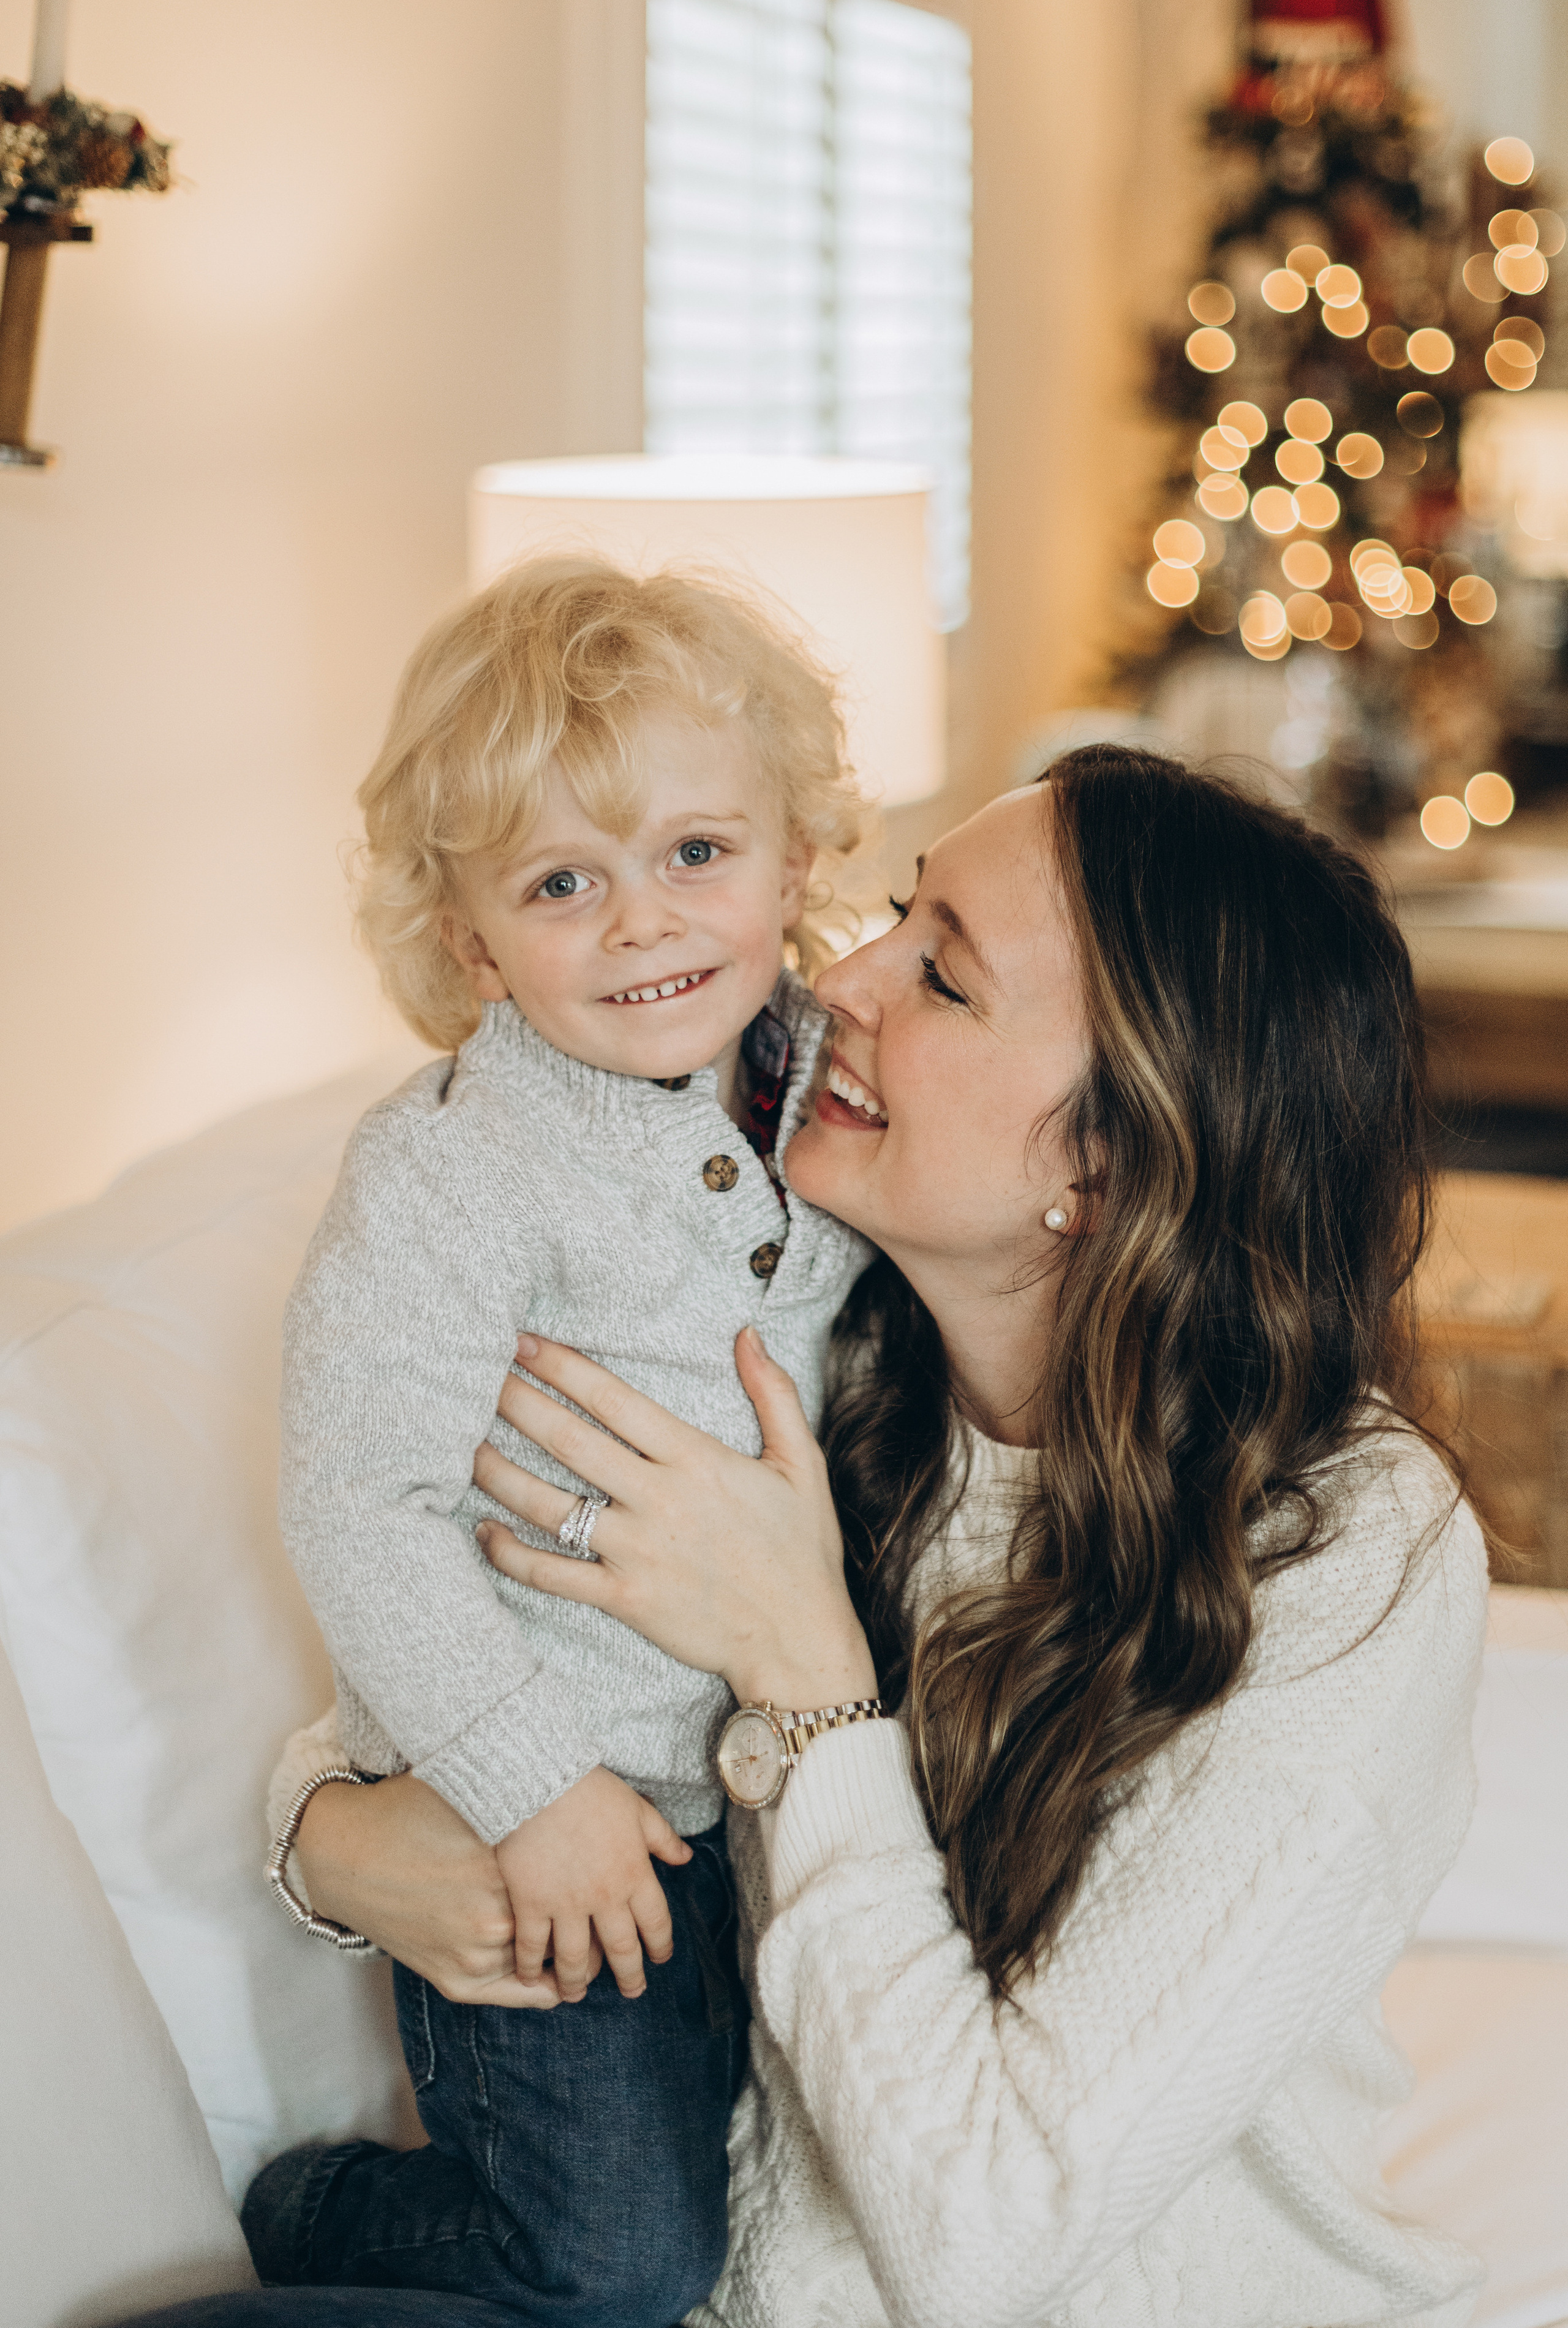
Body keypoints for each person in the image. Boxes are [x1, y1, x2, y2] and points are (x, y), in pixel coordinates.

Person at [126, 748, 1488, 2328]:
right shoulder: (822, 1343)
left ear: (1113, 1158)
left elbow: (986, 2242)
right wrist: (329, 1837)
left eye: (945, 978)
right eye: (897, 913)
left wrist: (805, 1666)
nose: (841, 979)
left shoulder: (1351, 1558)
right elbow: (495, 1623)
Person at [251, 557, 873, 2326]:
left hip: (780, 1791)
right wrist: (534, 1788)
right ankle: (317, 2212)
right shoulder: (452, 1169)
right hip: (549, 1812)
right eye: (560, 883)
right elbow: (360, 1502)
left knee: (779, 2205)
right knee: (620, 2265)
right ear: (470, 943)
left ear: (796, 859)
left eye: (698, 852)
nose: (642, 925)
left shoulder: (837, 1081)